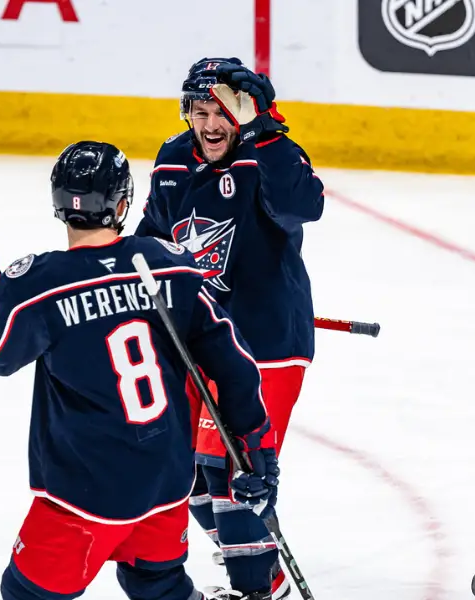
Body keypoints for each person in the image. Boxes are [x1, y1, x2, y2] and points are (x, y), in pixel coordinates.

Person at [0, 140, 280, 600]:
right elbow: (234, 362)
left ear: (59, 204)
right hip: (167, 480)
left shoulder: (42, 283)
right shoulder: (168, 265)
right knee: (156, 584)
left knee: (26, 593)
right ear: (122, 203)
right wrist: (254, 446)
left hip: (84, 494)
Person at [134, 56, 324, 600]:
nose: (211, 124)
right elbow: (155, 238)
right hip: (202, 343)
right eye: (200, 111)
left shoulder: (267, 154)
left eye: (225, 111)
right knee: (189, 482)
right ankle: (266, 574)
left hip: (267, 343)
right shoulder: (173, 159)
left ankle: (256, 590)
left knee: (236, 476)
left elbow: (303, 206)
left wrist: (266, 128)